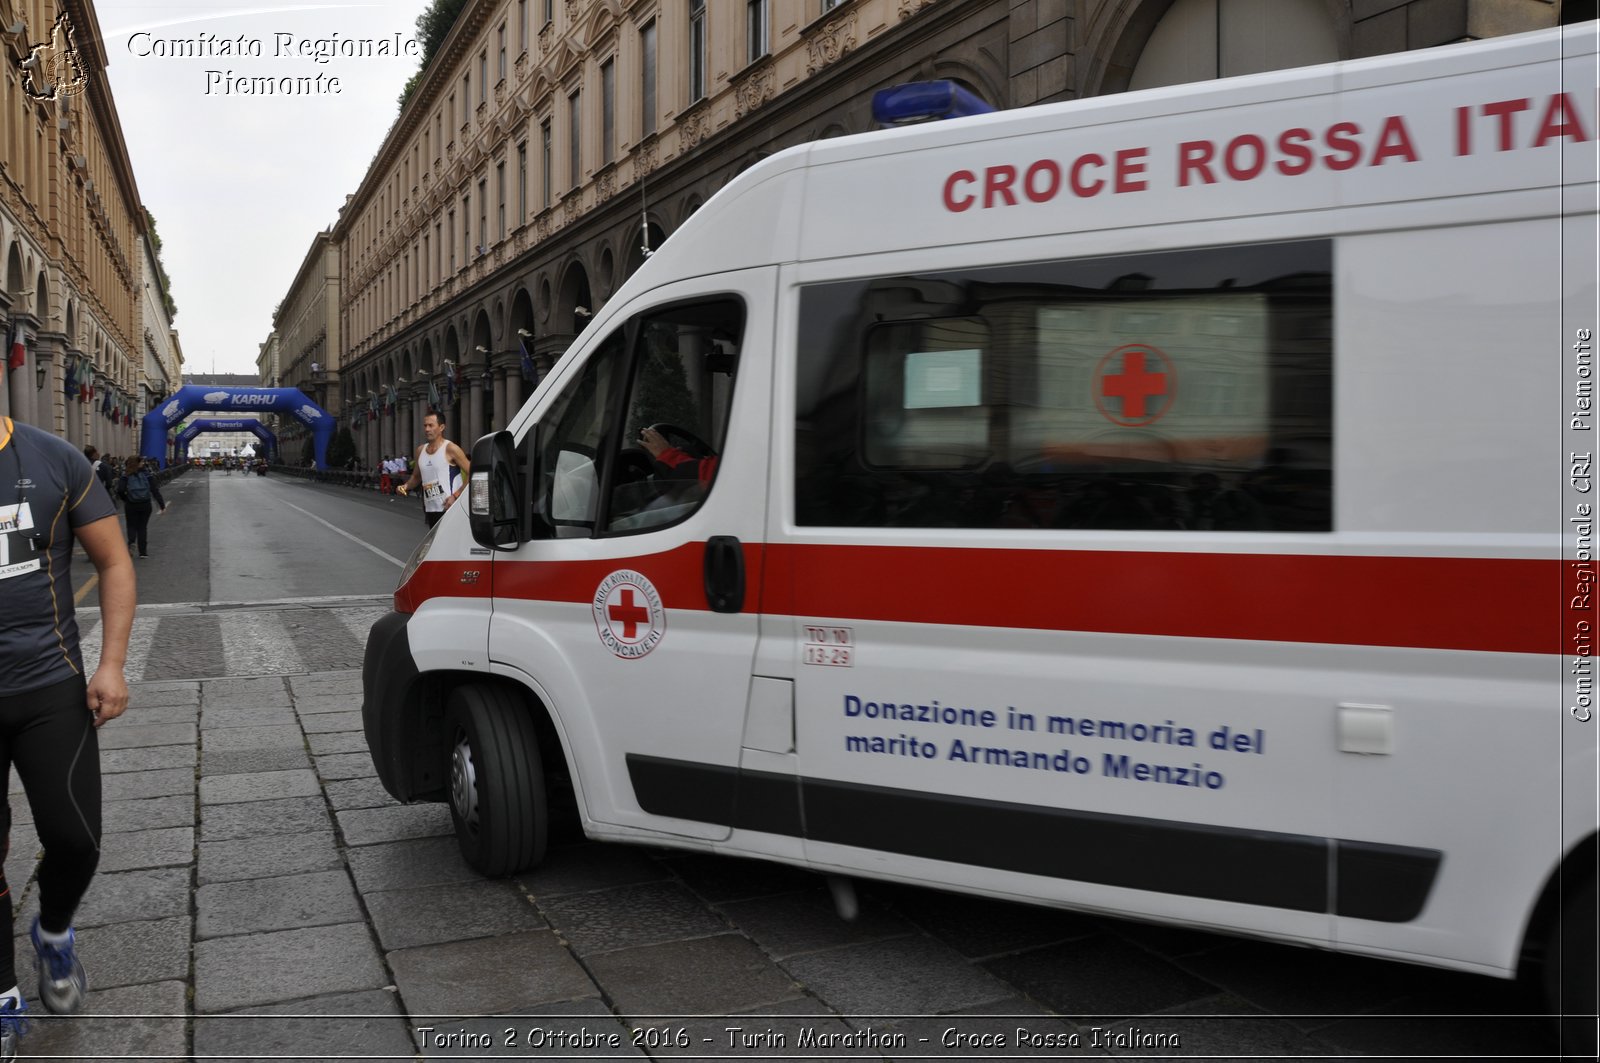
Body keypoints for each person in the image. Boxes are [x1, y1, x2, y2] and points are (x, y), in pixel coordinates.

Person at [0, 415, 133, 1060]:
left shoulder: (53, 458)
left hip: (49, 685)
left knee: (76, 839)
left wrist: (110, 663)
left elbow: (112, 560)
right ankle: (2, 997)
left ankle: (53, 932)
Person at [397, 412, 471, 528]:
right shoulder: (420, 450)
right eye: (425, 426)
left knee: (448, 544)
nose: (427, 429)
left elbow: (472, 472)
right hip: (430, 509)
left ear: (441, 427)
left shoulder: (451, 448)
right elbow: (416, 477)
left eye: (431, 425)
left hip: (450, 507)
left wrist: (455, 495)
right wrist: (405, 487)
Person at [116, 456, 166, 559]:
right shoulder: (147, 474)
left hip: (131, 504)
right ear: (138, 463)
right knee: (142, 527)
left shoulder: (126, 475)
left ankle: (131, 543)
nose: (143, 463)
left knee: (131, 526)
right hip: (145, 504)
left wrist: (126, 499)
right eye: (142, 462)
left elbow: (120, 490)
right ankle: (143, 552)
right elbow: (155, 490)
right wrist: (162, 505)